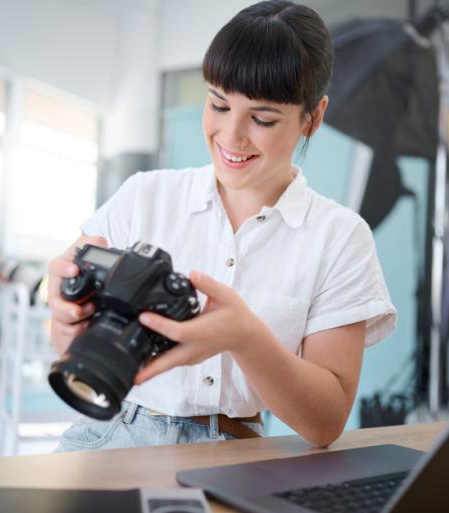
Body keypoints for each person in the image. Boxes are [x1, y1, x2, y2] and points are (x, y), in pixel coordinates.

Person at [48, 0, 396, 451]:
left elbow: (326, 422)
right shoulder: (143, 196)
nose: (231, 136)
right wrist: (63, 313)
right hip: (109, 427)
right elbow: (63, 337)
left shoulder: (340, 237)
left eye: (263, 118)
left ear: (313, 117)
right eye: (218, 105)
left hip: (235, 448)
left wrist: (245, 339)